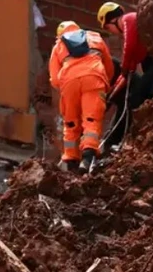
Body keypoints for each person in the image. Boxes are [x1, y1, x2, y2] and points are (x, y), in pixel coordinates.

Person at [98, 2, 153, 151]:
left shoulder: (128, 19)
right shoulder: (134, 33)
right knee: (136, 99)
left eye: (107, 27)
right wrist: (112, 94)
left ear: (112, 20)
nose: (110, 31)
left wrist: (124, 68)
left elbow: (128, 49)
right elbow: (129, 68)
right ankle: (128, 141)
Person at [48, 21, 114, 173]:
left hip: (69, 82)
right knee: (91, 119)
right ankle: (87, 157)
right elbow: (108, 66)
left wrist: (67, 87)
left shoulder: (58, 46)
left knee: (71, 122)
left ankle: (71, 161)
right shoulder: (95, 37)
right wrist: (104, 85)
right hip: (94, 77)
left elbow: (55, 79)